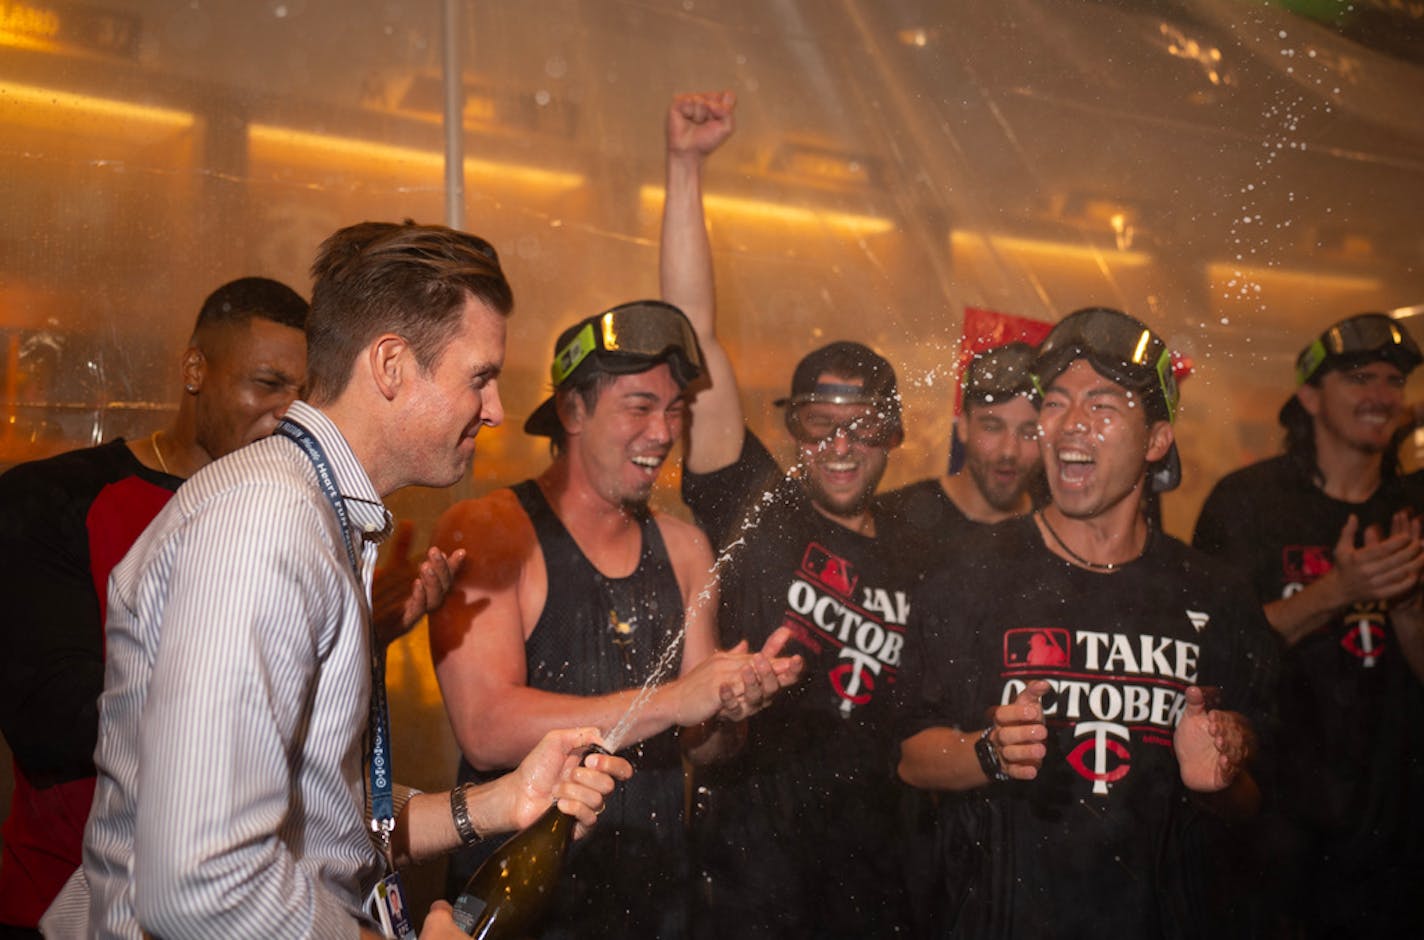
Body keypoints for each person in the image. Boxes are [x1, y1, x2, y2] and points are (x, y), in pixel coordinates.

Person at [44, 221, 631, 939]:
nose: (497, 410)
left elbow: (313, 816)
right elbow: (201, 886)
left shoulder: (318, 513)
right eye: (480, 376)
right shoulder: (266, 523)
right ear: (389, 364)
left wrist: (500, 802)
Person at [898, 306, 1278, 938]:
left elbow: (1255, 805)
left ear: (1157, 440)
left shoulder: (1217, 596)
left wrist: (1220, 778)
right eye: (1057, 403)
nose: (1071, 424)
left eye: (1103, 406)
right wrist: (987, 753)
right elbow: (909, 757)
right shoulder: (968, 577)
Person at [428, 299, 801, 939]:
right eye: (639, 406)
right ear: (573, 411)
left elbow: (703, 744)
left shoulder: (685, 549)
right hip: (519, 908)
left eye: (675, 410)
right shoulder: (492, 530)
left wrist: (728, 707)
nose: (664, 431)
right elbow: (486, 728)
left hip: (655, 907)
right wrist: (679, 698)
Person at [663, 90, 917, 938]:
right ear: (789, 427)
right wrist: (686, 167)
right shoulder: (754, 502)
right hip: (747, 881)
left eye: (866, 427)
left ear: (896, 436)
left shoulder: (925, 551)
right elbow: (692, 330)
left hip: (878, 882)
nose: (841, 447)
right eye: (820, 425)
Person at [0, 276, 308, 935]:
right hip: (61, 908)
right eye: (267, 383)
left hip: (229, 908)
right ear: (196, 369)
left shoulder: (293, 525)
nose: (287, 413)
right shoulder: (53, 499)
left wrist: (371, 636)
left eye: (303, 396)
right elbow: (52, 722)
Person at [1193, 312, 1424, 935]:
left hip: (1394, 826)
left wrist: (1404, 606)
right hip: (1273, 820)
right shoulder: (1249, 503)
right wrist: (1340, 590)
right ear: (1309, 395)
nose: (1380, 395)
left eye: (1391, 381)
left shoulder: (1415, 507)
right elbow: (1213, 653)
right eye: (1358, 378)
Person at [878, 340, 1042, 552]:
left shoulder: (1061, 535)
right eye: (992, 428)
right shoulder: (891, 521)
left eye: (1029, 433)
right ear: (963, 427)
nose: (1009, 451)